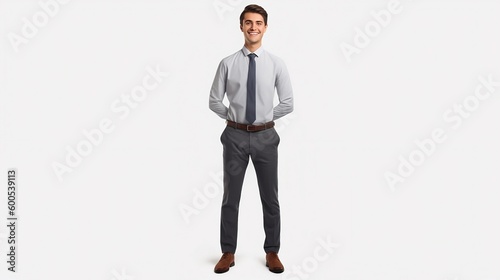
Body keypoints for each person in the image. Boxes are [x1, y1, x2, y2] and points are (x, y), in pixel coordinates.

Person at [209, 4, 294, 274]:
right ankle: (227, 252)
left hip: (266, 138)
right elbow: (213, 100)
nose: (253, 27)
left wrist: (265, 117)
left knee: (270, 196)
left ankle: (272, 251)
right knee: (230, 196)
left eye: (258, 23)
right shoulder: (227, 63)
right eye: (248, 22)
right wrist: (233, 116)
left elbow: (288, 103)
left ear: (265, 27)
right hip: (234, 137)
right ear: (241, 26)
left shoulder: (276, 64)